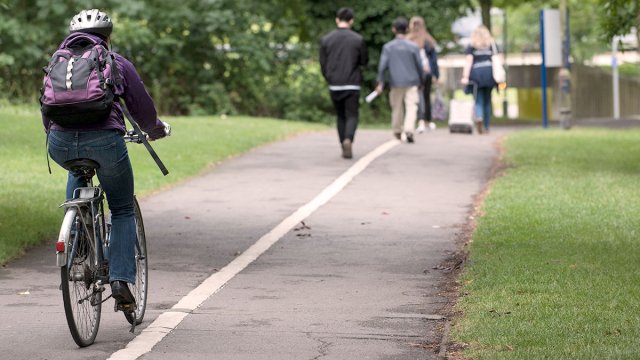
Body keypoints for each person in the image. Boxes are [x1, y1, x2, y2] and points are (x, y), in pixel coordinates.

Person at [43, 9, 170, 307]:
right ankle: (122, 279)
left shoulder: (57, 60)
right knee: (123, 207)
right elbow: (142, 108)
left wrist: (56, 135)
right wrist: (155, 130)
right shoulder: (116, 61)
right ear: (107, 36)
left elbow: (46, 108)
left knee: (77, 169)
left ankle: (77, 238)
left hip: (59, 143)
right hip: (105, 141)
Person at [320, 7, 368, 159]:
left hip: (335, 83)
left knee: (340, 116)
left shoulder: (326, 39)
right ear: (351, 20)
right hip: (352, 83)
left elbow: (323, 63)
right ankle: (349, 139)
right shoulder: (358, 39)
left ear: (337, 19)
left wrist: (329, 77)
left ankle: (343, 143)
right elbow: (364, 61)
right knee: (352, 114)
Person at [375, 17, 424, 143]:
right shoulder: (413, 47)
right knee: (411, 106)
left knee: (396, 107)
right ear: (407, 29)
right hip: (412, 81)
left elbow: (382, 66)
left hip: (395, 81)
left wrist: (380, 81)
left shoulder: (388, 47)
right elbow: (419, 65)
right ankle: (409, 129)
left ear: (393, 29)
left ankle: (397, 130)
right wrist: (421, 80)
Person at [461, 25, 497, 133]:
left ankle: (479, 117)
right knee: (487, 101)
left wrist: (465, 77)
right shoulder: (491, 45)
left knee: (478, 100)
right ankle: (486, 126)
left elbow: (468, 62)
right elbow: (496, 59)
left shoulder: (472, 47)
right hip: (490, 74)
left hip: (477, 75)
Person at [408, 16, 439, 133]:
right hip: (428, 72)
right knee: (426, 96)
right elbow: (434, 60)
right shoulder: (428, 40)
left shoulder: (409, 40)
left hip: (414, 72)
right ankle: (428, 120)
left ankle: (420, 120)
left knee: (419, 96)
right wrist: (436, 74)